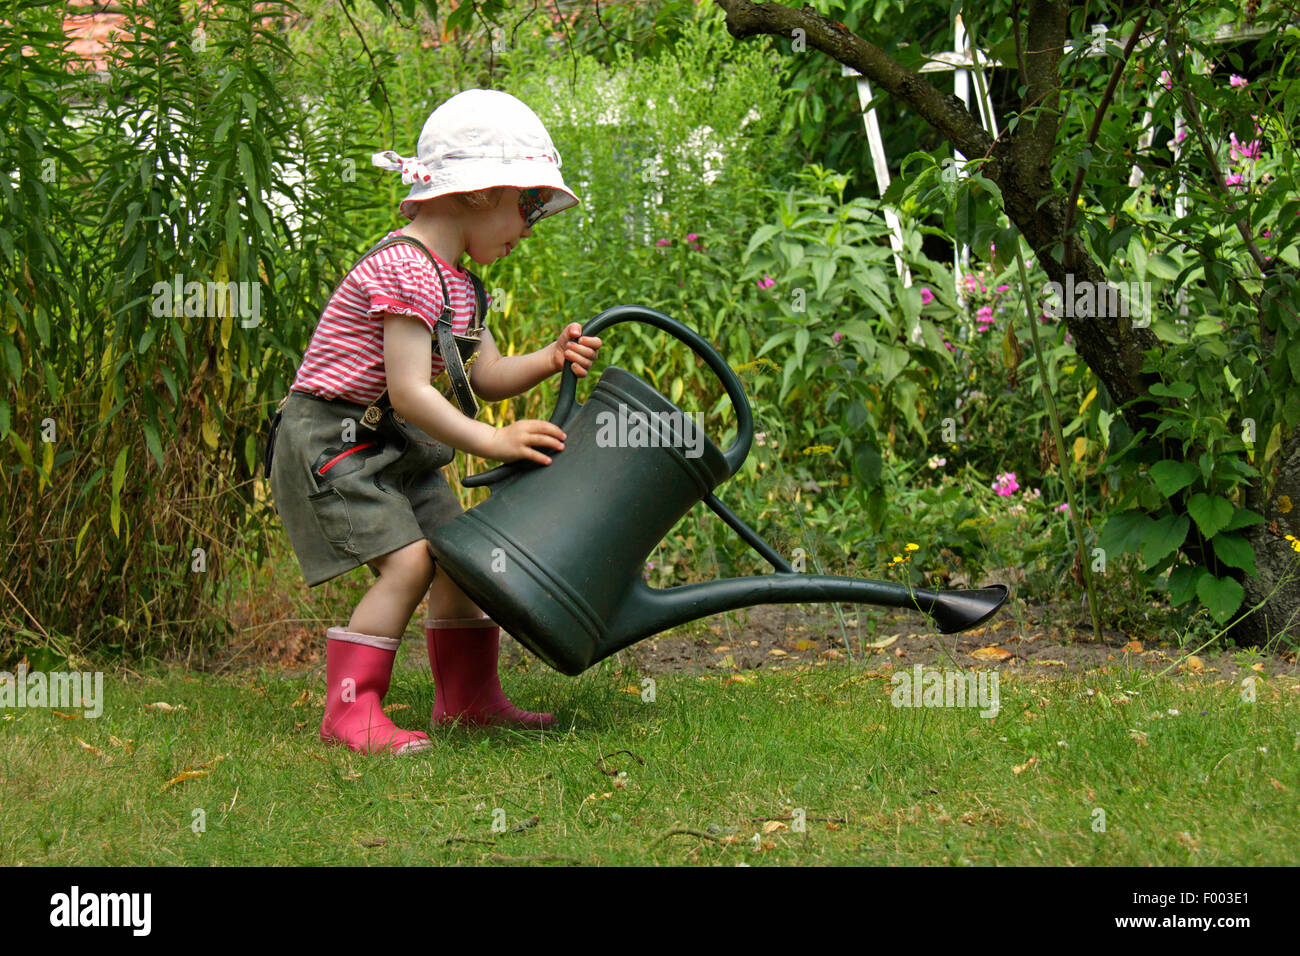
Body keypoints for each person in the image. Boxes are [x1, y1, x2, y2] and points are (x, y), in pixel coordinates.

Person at [266, 89, 601, 754]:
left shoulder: (460, 283)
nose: (530, 226)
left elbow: (482, 375)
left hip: (396, 446)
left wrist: (550, 356)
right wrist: (492, 439)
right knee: (410, 562)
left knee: (462, 560)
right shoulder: (405, 268)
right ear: (478, 193)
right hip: (335, 441)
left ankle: (470, 701)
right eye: (526, 205)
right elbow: (413, 392)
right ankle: (349, 709)